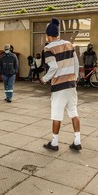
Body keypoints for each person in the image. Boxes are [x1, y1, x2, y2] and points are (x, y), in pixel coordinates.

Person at [40, 18, 81, 151]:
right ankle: (77, 141)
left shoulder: (48, 48)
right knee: (74, 113)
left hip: (59, 88)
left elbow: (53, 67)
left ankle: (54, 143)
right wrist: (74, 78)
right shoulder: (69, 44)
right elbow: (76, 63)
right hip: (71, 85)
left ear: (49, 35)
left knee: (57, 116)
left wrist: (44, 79)